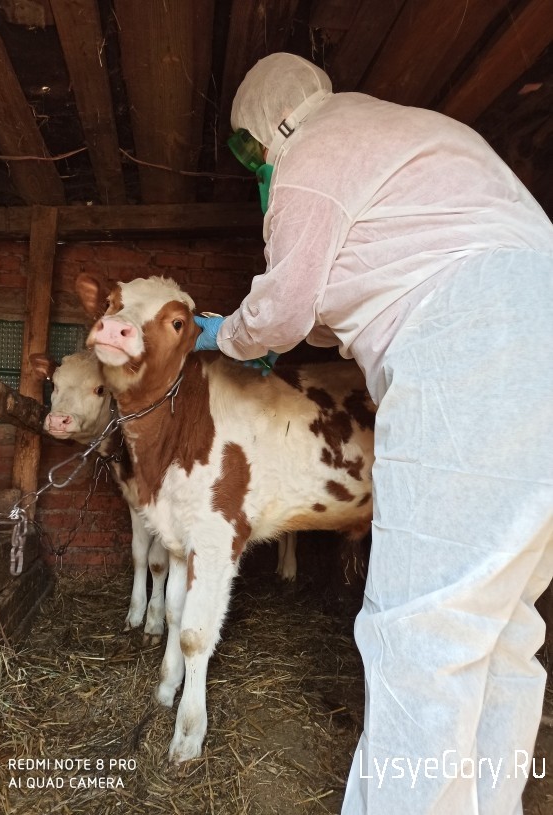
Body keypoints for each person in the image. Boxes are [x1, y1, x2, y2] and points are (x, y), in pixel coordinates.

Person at [193, 52, 553, 814]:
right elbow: (342, 303)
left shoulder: (308, 160)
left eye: (251, 152)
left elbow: (286, 310)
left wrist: (227, 335)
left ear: (266, 128)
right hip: (531, 336)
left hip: (471, 348)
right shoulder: (409, 134)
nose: (257, 166)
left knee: (420, 633)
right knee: (503, 625)